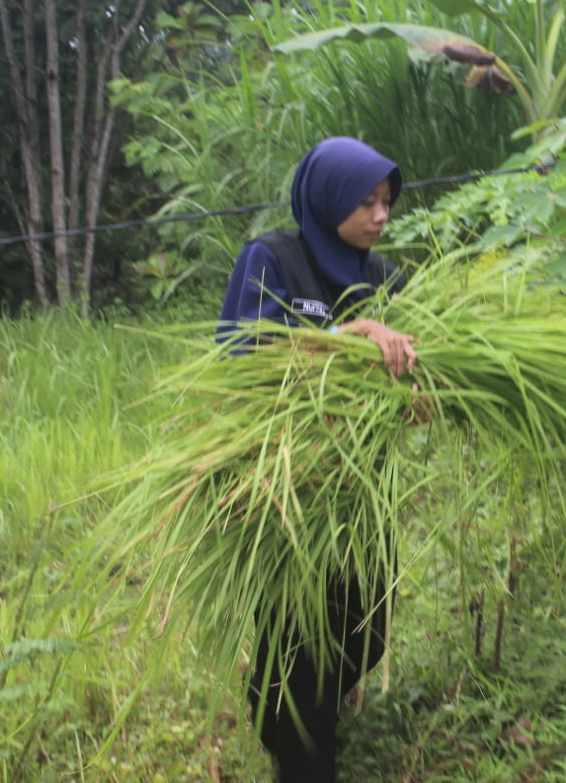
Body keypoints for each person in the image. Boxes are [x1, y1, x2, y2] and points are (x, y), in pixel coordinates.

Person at [216, 136, 417, 782]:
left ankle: (289, 714)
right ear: (329, 198)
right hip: (285, 483)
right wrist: (343, 338)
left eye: (386, 201)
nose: (380, 214)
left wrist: (420, 392)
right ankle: (299, 750)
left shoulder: (384, 278)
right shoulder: (273, 257)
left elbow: (414, 365)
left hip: (360, 487)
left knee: (366, 630)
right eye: (366, 201)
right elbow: (243, 360)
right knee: (299, 637)